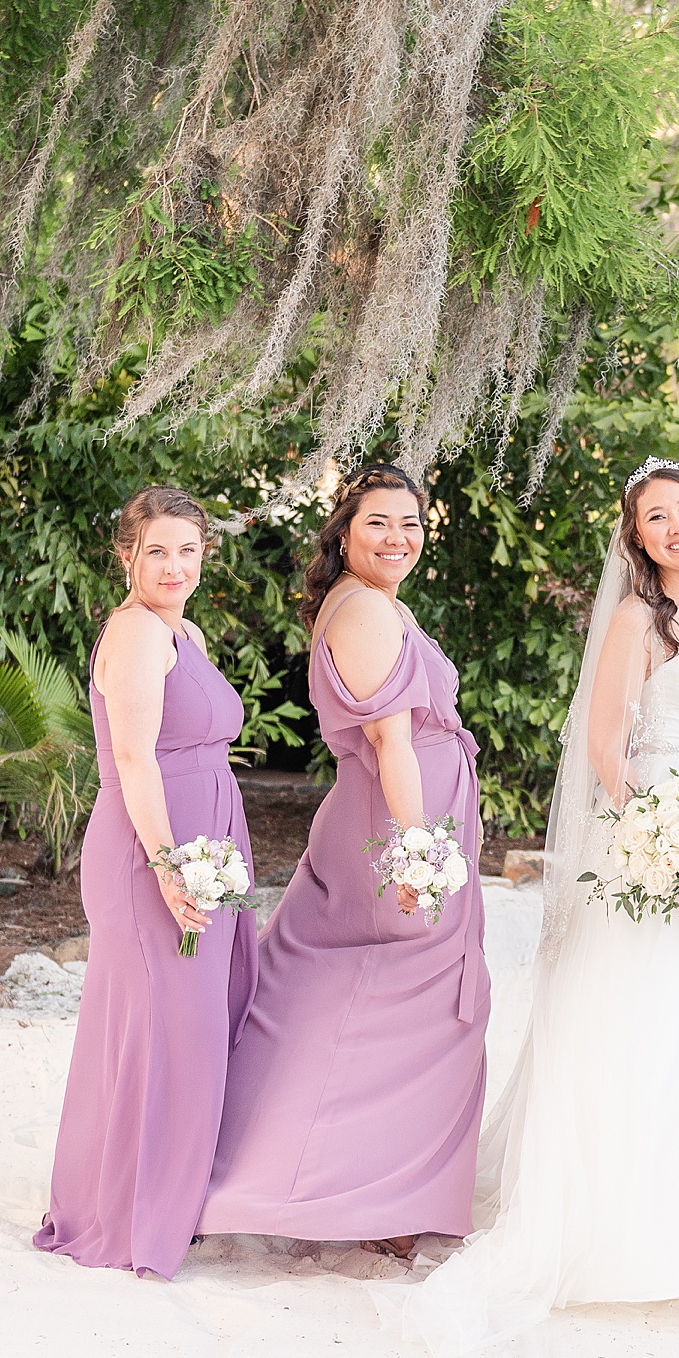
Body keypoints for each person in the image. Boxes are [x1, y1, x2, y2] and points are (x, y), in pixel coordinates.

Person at [404, 460, 679, 1350]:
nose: (676, 525)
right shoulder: (634, 617)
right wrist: (653, 840)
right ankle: (633, 1232)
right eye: (656, 516)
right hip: (663, 833)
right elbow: (605, 744)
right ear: (638, 537)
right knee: (653, 1021)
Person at [200, 463, 489, 1260]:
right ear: (344, 532)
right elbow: (391, 741)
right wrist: (419, 847)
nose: (398, 538)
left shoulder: (372, 602)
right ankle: (348, 1193)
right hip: (395, 827)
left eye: (411, 524)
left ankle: (373, 1187)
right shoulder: (362, 609)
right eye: (379, 524)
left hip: (400, 819)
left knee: (352, 998)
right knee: (406, 1002)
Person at [36, 486, 259, 1281]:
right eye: (155, 549)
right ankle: (128, 1212)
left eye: (187, 550)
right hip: (149, 853)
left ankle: (168, 1196)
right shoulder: (133, 633)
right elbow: (134, 759)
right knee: (164, 1031)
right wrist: (168, 869)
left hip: (202, 844)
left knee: (190, 1030)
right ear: (126, 555)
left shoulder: (182, 630)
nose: (173, 565)